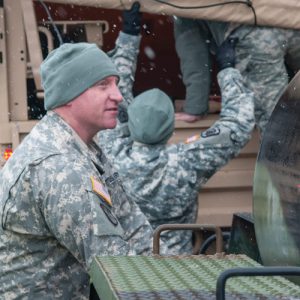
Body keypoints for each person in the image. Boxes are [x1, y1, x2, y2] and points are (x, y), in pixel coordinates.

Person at [0, 41, 156, 298]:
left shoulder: (80, 145)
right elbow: (119, 272)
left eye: (116, 84)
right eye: (103, 85)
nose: (118, 95)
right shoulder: (59, 168)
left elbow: (132, 223)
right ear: (69, 95)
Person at [99, 3, 256, 255]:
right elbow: (238, 123)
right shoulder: (185, 162)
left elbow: (118, 90)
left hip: (123, 267)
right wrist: (227, 69)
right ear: (171, 128)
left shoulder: (111, 152)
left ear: (130, 123)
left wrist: (129, 34)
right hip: (174, 267)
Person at [174, 17, 300, 135]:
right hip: (290, 20)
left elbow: (194, 58)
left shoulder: (181, 8)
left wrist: (195, 108)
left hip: (252, 35)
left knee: (276, 128)